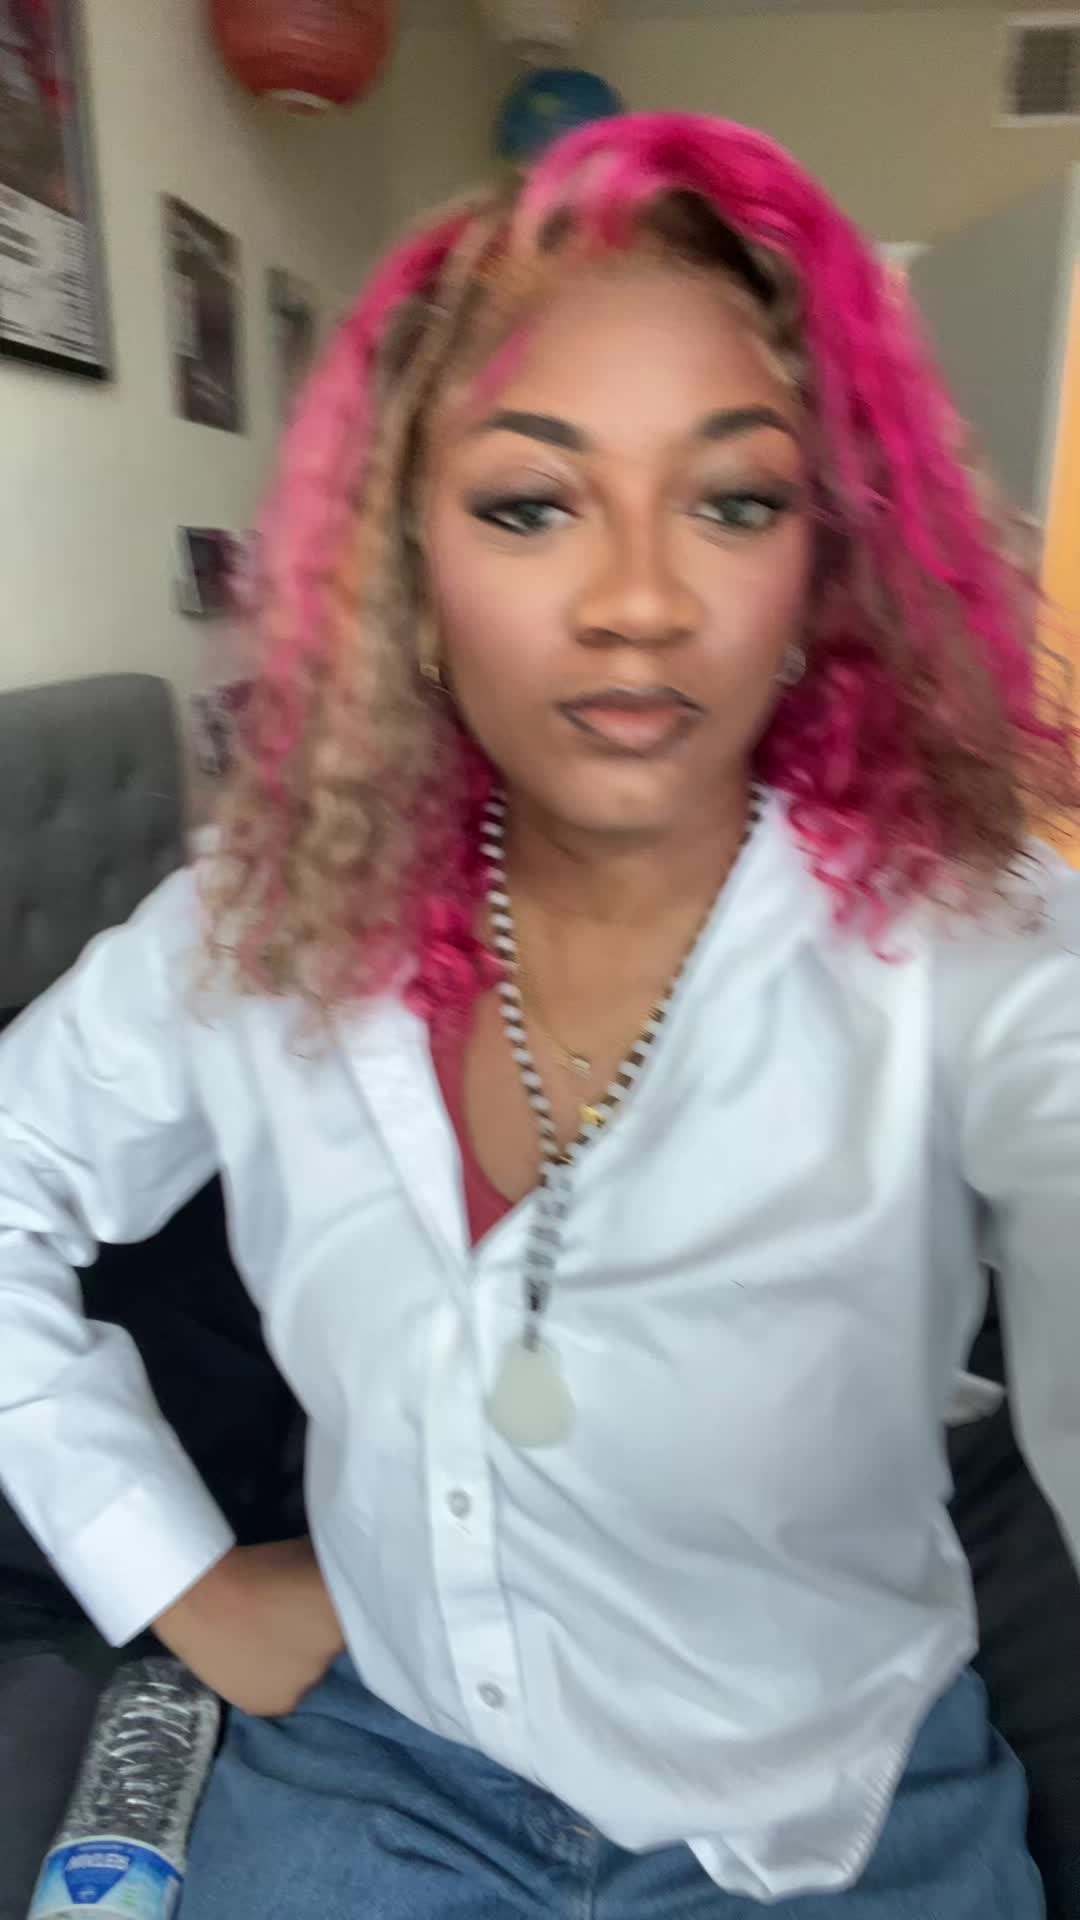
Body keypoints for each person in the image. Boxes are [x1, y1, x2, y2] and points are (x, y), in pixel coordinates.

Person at [0, 112, 1076, 1918]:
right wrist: (173, 1574)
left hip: (825, 1823)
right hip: (380, 1770)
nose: (641, 602)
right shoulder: (264, 926)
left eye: (735, 501)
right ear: (409, 571)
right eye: (529, 504)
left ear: (820, 570)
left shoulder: (974, 946)